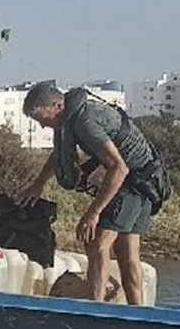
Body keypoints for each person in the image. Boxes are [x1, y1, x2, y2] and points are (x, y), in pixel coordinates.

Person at [14, 83, 169, 304]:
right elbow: (59, 155)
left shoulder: (85, 121)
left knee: (96, 243)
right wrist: (39, 183)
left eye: (42, 119)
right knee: (126, 254)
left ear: (58, 105)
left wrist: (93, 213)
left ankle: (96, 309)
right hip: (144, 180)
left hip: (135, 183)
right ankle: (140, 314)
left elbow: (119, 168)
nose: (41, 126)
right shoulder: (69, 118)